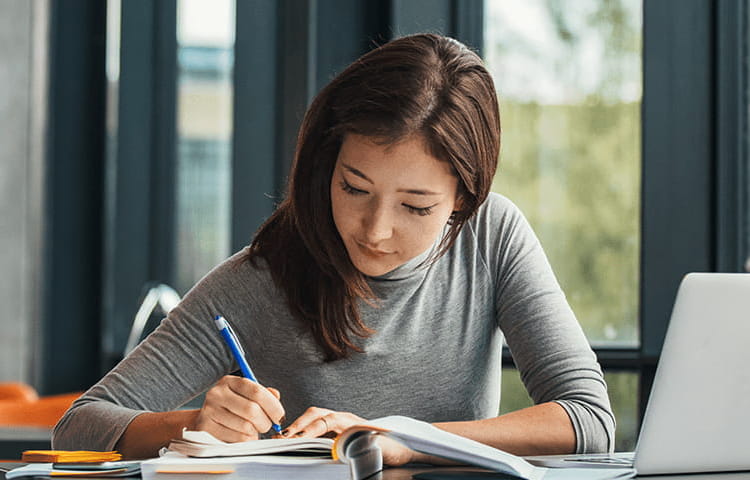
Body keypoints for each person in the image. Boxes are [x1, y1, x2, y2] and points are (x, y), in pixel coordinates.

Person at [53, 33, 615, 464]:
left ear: (463, 200)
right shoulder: (262, 277)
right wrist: (193, 424)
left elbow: (588, 420)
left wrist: (401, 437)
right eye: (353, 188)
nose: (374, 230)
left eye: (415, 207)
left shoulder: (491, 236)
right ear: (326, 165)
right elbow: (78, 425)